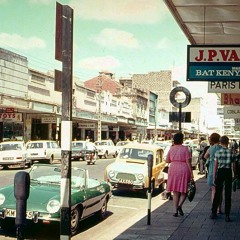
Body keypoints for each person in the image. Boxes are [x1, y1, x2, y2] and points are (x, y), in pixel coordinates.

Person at [210, 136, 236, 222]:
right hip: (228, 172)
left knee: (218, 192)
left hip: (220, 172)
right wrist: (234, 174)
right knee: (228, 194)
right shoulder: (231, 152)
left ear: (220, 142)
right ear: (228, 142)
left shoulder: (218, 152)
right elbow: (234, 165)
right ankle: (227, 215)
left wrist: (214, 177)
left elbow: (215, 166)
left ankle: (214, 212)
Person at [166, 132, 193, 217]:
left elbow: (167, 160)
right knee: (184, 190)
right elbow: (188, 162)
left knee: (175, 191)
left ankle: (175, 211)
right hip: (184, 168)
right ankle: (179, 206)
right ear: (182, 139)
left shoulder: (171, 148)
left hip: (173, 168)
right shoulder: (186, 149)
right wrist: (191, 173)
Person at [204, 133, 222, 213]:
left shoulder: (210, 149)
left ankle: (214, 208)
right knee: (220, 190)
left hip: (212, 169)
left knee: (213, 190)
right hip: (221, 169)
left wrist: (210, 159)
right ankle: (219, 209)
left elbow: (205, 156)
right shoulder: (222, 148)